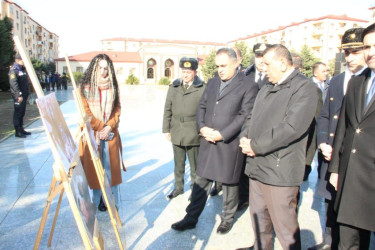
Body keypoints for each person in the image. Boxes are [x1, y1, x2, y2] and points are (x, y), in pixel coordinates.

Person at [171, 48, 258, 234]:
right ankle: (191, 217)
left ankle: (227, 219)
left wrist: (222, 134)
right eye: (218, 66)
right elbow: (201, 106)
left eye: (224, 65)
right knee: (200, 183)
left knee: (229, 184)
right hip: (208, 141)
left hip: (229, 144)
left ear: (236, 63)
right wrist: (202, 127)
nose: (220, 69)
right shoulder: (211, 83)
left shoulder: (249, 85)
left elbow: (245, 115)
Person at [239, 44, 317, 249]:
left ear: (282, 63)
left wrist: (255, 145)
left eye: (267, 64)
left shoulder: (304, 88)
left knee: (285, 230)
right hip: (257, 166)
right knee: (259, 224)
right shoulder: (267, 86)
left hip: (279, 172)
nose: (263, 68)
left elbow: (291, 127)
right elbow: (251, 118)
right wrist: (245, 138)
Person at [309, 27, 367, 250]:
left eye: (355, 51)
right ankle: (329, 241)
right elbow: (325, 114)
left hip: (353, 156)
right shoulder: (337, 80)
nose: (349, 57)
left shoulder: (367, 81)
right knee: (329, 200)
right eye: (346, 52)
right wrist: (323, 141)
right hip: (329, 152)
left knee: (352, 208)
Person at [328, 23, 375, 249]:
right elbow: (345, 129)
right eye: (367, 46)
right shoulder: (357, 81)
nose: (371, 52)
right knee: (349, 241)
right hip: (352, 176)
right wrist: (336, 168)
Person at [79, 53, 126, 211]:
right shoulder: (84, 87)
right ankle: (97, 200)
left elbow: (117, 108)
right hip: (92, 134)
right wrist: (100, 127)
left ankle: (111, 201)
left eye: (106, 68)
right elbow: (85, 112)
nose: (103, 71)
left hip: (109, 133)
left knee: (109, 168)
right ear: (94, 68)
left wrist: (109, 126)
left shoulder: (113, 85)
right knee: (93, 170)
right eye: (100, 68)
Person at [162, 57, 205, 199]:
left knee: (194, 165)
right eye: (184, 71)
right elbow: (167, 108)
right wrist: (166, 129)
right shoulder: (174, 87)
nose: (185, 75)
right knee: (178, 164)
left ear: (195, 72)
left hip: (193, 131)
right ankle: (178, 187)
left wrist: (203, 129)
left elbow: (206, 110)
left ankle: (195, 190)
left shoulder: (202, 88)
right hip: (177, 130)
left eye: (189, 72)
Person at [9, 53, 31, 138]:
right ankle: (17, 131)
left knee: (22, 112)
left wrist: (26, 94)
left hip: (24, 95)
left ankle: (21, 128)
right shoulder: (14, 70)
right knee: (18, 113)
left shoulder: (21, 69)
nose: (24, 61)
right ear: (18, 60)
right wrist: (19, 95)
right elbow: (14, 84)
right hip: (18, 96)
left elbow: (25, 83)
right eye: (23, 60)